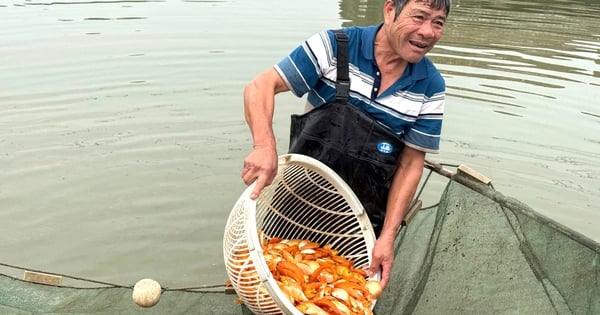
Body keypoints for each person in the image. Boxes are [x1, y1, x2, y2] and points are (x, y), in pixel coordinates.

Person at [241, 0, 451, 290]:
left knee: (340, 299)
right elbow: (260, 86)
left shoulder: (431, 86)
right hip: (292, 210)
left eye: (438, 22)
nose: (427, 31)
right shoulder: (335, 46)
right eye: (419, 17)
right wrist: (264, 146)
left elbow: (411, 163)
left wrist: (387, 236)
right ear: (390, 10)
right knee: (272, 289)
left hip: (359, 229)